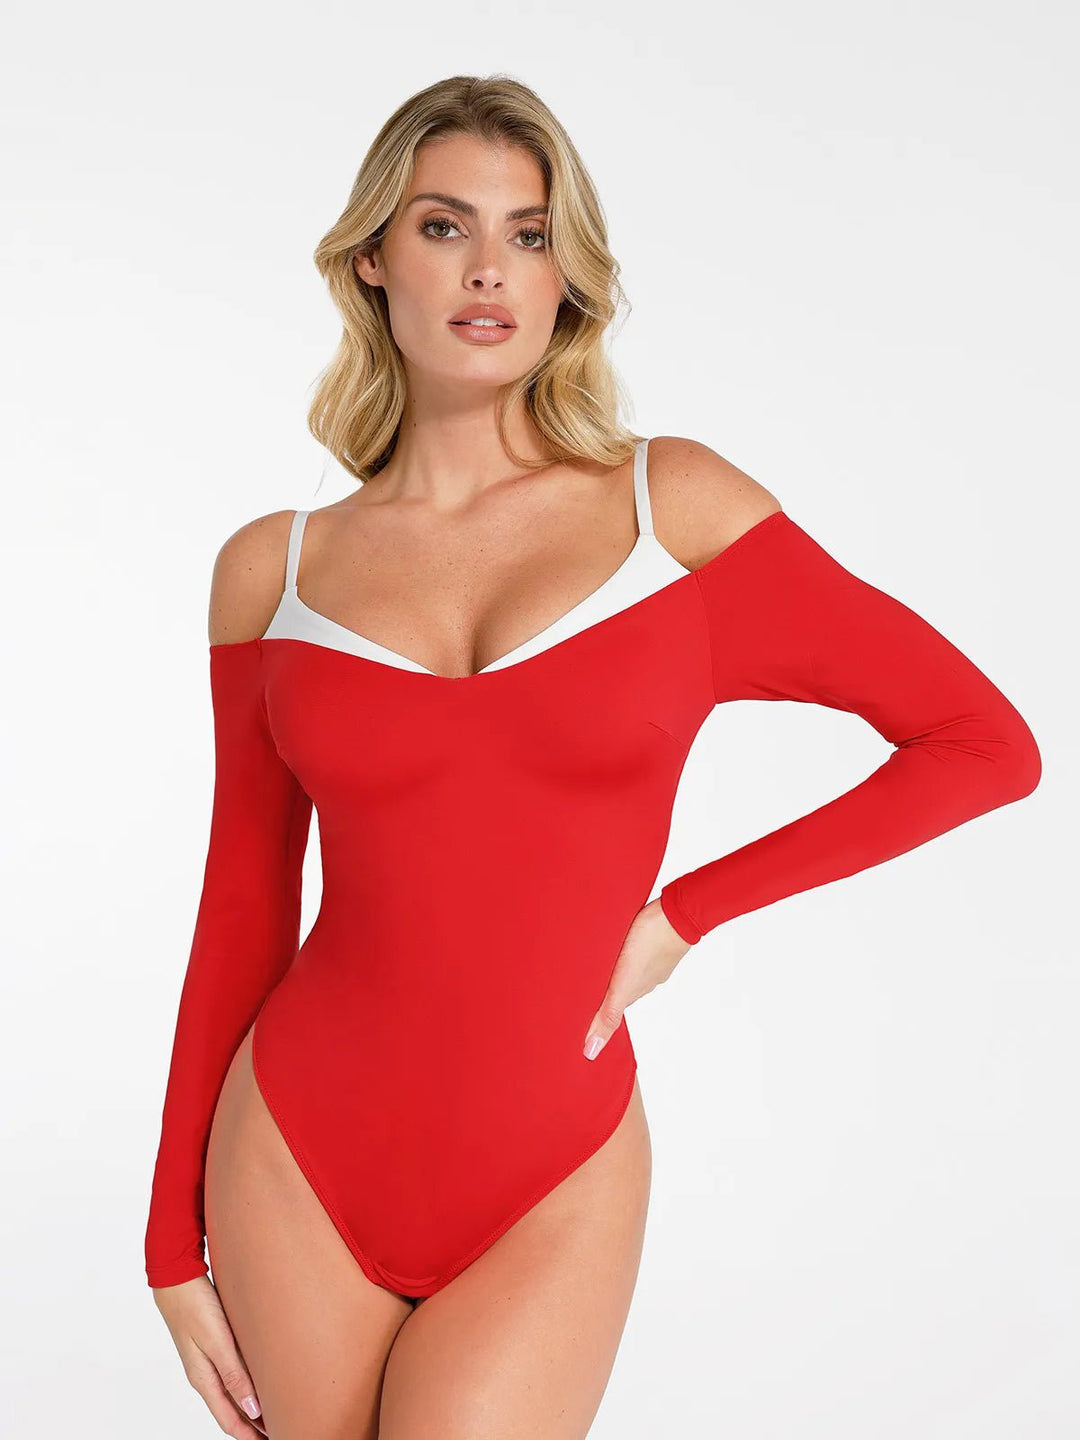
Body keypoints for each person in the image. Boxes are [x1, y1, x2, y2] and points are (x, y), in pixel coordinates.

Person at [144, 75, 1041, 1440]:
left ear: (569, 274)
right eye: (444, 226)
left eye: (531, 233)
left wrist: (688, 912)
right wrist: (170, 1244)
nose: (490, 268)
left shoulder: (668, 512)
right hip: (296, 1148)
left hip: (548, 1168)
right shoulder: (276, 570)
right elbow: (242, 903)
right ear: (373, 256)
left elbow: (982, 743)